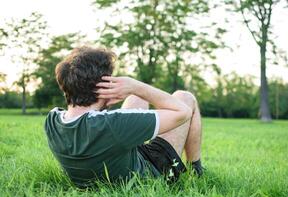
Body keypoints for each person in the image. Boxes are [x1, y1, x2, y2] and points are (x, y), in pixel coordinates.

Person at [44, 46, 204, 188]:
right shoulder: (113, 125)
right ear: (104, 85)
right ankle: (195, 170)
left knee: (136, 98)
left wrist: (105, 101)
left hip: (112, 161)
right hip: (151, 175)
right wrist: (136, 86)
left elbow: (91, 121)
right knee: (185, 97)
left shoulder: (52, 120)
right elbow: (183, 112)